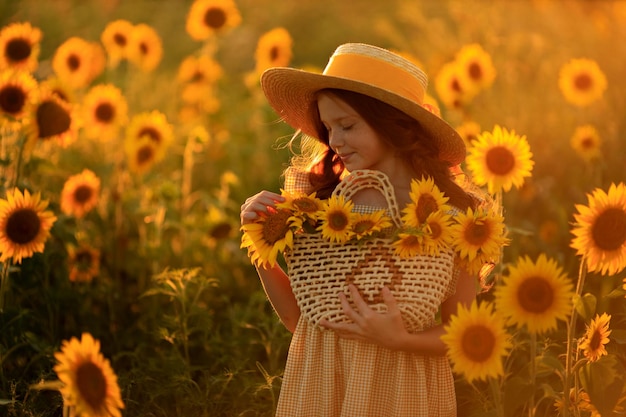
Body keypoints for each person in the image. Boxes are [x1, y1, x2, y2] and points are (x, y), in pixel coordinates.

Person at [240, 43, 480, 417]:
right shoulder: (321, 208)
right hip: (322, 387)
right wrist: (261, 242)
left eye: (347, 125)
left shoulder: (453, 220)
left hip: (403, 391)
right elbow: (299, 320)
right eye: (327, 128)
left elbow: (461, 332)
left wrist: (401, 339)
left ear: (392, 124)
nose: (334, 141)